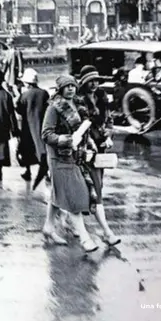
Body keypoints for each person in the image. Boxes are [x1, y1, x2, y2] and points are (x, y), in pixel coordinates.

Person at [41, 75, 99, 253]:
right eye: (66, 87)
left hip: (74, 156)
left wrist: (89, 143)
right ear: (60, 89)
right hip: (59, 157)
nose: (71, 89)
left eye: (73, 86)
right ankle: (84, 238)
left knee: (58, 193)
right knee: (74, 196)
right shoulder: (54, 108)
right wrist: (67, 140)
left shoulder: (78, 105)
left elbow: (82, 130)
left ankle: (49, 228)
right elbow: (46, 134)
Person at [76, 66, 121, 246]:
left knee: (96, 185)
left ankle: (61, 223)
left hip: (100, 146)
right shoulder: (78, 99)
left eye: (96, 80)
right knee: (93, 188)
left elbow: (109, 119)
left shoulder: (101, 96)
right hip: (84, 148)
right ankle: (106, 231)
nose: (94, 84)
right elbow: (77, 125)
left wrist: (108, 136)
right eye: (90, 81)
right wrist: (88, 141)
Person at [16, 68, 49, 189]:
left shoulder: (24, 95)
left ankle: (28, 171)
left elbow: (19, 109)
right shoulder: (44, 93)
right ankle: (46, 172)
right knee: (42, 148)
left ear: (26, 83)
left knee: (26, 149)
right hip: (42, 125)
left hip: (28, 126)